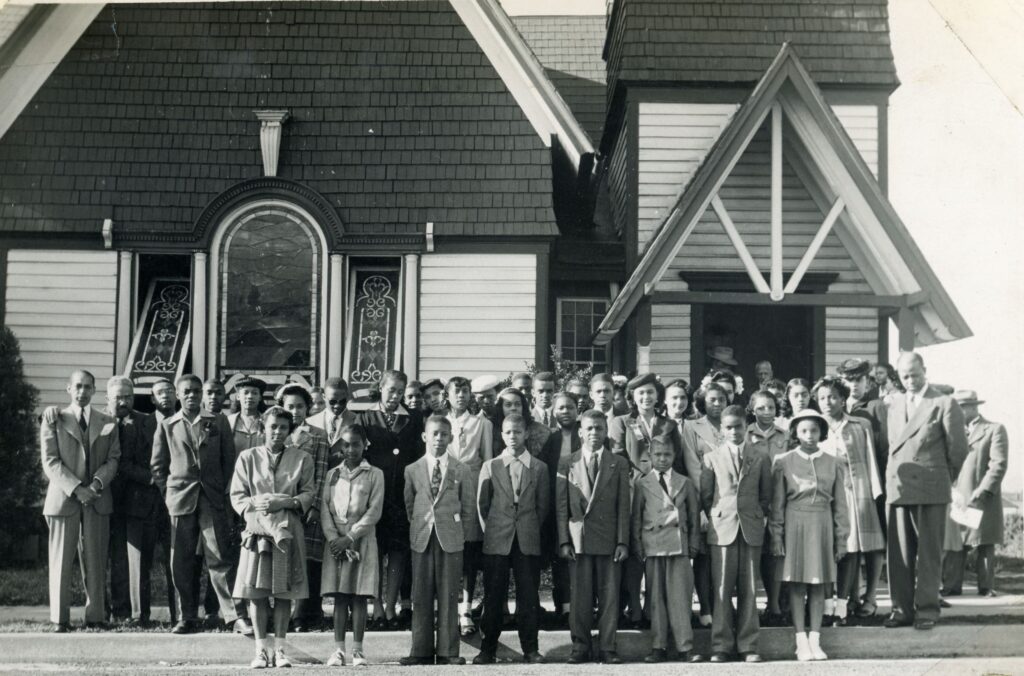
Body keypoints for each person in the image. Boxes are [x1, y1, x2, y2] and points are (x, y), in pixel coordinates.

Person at [884, 352, 968, 630]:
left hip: (931, 488)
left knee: (929, 553)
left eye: (915, 374)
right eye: (904, 376)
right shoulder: (895, 405)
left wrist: (942, 479)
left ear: (925, 371)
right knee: (899, 554)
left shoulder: (944, 403)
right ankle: (901, 610)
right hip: (899, 486)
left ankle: (928, 610)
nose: (910, 380)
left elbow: (958, 450)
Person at [151, 374, 240, 634]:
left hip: (211, 500)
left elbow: (229, 461)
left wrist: (220, 492)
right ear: (178, 395)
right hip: (180, 499)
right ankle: (187, 616)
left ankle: (232, 615)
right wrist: (170, 493)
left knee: (219, 556)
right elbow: (158, 466)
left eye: (197, 391)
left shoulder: (218, 421)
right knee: (181, 559)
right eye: (187, 391)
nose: (192, 395)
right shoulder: (168, 425)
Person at [608, 373, 697, 628]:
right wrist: (643, 479)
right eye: (640, 393)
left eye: (650, 392)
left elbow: (676, 457)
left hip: (664, 495)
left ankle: (658, 610)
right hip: (634, 491)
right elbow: (619, 456)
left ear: (658, 396)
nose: (646, 397)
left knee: (660, 553)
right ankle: (635, 611)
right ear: (632, 397)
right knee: (637, 551)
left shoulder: (669, 424)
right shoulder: (622, 422)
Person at [230, 406, 315, 668]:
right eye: (272, 427)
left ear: (290, 431)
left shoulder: (302, 458)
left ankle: (279, 649)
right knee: (256, 591)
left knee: (283, 591)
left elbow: (309, 492)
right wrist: (256, 509)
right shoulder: (248, 457)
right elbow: (238, 495)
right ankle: (260, 649)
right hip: (257, 530)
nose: (277, 432)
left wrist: (287, 502)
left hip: (287, 529)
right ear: (262, 428)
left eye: (283, 428)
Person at [41, 369, 121, 632]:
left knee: (96, 558)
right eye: (78, 386)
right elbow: (51, 461)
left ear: (94, 390)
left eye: (88, 387)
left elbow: (113, 458)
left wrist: (96, 483)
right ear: (68, 389)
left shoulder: (107, 420)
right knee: (61, 560)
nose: (83, 392)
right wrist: (77, 489)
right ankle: (59, 619)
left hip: (97, 498)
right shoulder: (54, 418)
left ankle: (96, 616)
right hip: (64, 499)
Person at [770, 409, 849, 661]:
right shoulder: (783, 461)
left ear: (822, 433)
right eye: (803, 431)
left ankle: (815, 639)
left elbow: (840, 505)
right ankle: (800, 640)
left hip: (822, 524)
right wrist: (777, 535)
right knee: (797, 584)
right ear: (795, 433)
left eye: (814, 430)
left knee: (819, 584)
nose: (809, 436)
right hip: (795, 524)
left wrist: (841, 538)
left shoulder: (834, 462)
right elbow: (777, 504)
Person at [474, 414, 549, 664]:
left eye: (517, 432)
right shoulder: (491, 466)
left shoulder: (539, 467)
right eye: (508, 432)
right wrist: (494, 529)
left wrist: (527, 527)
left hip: (527, 538)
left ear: (526, 433)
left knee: (529, 596)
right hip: (497, 538)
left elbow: (542, 507)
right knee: (494, 595)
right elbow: (482, 505)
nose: (513, 437)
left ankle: (531, 648)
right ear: (501, 435)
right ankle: (488, 648)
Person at [556, 410, 631, 664]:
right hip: (579, 538)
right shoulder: (567, 462)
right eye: (589, 428)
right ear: (580, 432)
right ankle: (580, 645)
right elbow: (561, 506)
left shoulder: (618, 462)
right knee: (580, 596)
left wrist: (622, 541)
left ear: (606, 431)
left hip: (609, 539)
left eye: (599, 428)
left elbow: (624, 505)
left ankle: (608, 646)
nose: (594, 433)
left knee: (609, 596)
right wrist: (564, 540)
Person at [400, 416, 476, 666]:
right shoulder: (412, 469)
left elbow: (467, 508)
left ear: (451, 438)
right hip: (422, 536)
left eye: (444, 434)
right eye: (434, 433)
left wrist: (459, 533)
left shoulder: (461, 469)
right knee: (420, 594)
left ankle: (447, 651)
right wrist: (422, 524)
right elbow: (410, 504)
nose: (439, 439)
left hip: (450, 538)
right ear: (425, 437)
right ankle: (420, 650)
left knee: (448, 593)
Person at [699, 405, 771, 663]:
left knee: (750, 588)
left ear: (746, 427)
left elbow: (765, 495)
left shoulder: (760, 456)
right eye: (728, 427)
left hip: (750, 527)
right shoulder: (711, 458)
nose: (733, 431)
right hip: (722, 528)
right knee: (721, 588)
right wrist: (716, 516)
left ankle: (748, 645)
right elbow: (706, 496)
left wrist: (757, 516)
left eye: (738, 426)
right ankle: (721, 645)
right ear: (721, 429)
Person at [105, 376, 177, 627]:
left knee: (139, 560)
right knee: (116, 560)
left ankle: (140, 615)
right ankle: (115, 611)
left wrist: (153, 481)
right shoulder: (99, 420)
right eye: (118, 397)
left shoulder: (145, 422)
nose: (123, 401)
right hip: (104, 499)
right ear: (108, 398)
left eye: (128, 397)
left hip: (141, 500)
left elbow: (154, 458)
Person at [815, 376, 885, 623]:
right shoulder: (814, 425)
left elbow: (869, 460)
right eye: (822, 398)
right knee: (825, 549)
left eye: (833, 397)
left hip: (853, 492)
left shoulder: (858, 425)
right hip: (823, 496)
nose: (827, 402)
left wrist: (872, 494)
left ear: (843, 399)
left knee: (851, 546)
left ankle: (843, 605)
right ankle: (826, 605)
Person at [358, 370, 423, 630]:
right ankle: (376, 607)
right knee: (375, 552)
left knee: (397, 552)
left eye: (400, 391)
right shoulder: (366, 418)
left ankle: (391, 605)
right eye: (391, 390)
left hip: (401, 495)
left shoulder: (414, 420)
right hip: (375, 496)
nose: (394, 395)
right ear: (381, 388)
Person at [631, 436, 700, 663]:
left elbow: (693, 517)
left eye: (667, 455)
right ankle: (658, 646)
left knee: (680, 597)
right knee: (655, 597)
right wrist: (638, 545)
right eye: (657, 455)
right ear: (650, 456)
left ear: (674, 456)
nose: (662, 459)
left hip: (678, 545)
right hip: (653, 545)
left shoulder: (685, 482)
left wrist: (693, 544)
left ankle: (685, 647)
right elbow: (636, 518)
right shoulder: (642, 483)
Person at [321, 424, 384, 668]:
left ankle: (358, 650)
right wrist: (334, 539)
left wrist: (351, 537)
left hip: (362, 541)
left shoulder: (374, 474)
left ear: (364, 445)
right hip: (335, 543)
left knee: (358, 596)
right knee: (340, 596)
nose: (350, 449)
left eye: (356, 444)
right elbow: (326, 508)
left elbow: (374, 510)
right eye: (345, 444)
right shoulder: (332, 474)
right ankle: (338, 650)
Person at [276, 383, 332, 632]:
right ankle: (282, 612)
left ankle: (303, 614)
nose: (295, 411)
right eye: (290, 406)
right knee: (283, 557)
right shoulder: (277, 431)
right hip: (282, 503)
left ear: (308, 408)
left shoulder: (318, 434)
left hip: (306, 505)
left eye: (300, 406)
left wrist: (315, 506)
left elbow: (320, 473)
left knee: (308, 558)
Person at [942, 390, 1008, 598]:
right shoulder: (950, 433)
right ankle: (951, 587)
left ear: (974, 407)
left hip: (982, 497)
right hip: (956, 497)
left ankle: (986, 586)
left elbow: (998, 464)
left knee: (984, 543)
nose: (958, 412)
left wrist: (984, 490)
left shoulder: (994, 430)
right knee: (955, 543)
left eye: (962, 408)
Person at [443, 376, 494, 636]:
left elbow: (486, 460)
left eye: (465, 391)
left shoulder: (481, 424)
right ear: (448, 395)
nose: (461, 396)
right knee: (448, 546)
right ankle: (447, 609)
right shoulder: (440, 423)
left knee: (470, 550)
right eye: (456, 391)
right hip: (447, 485)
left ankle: (465, 608)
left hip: (473, 487)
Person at [680, 381, 730, 627]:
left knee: (724, 554)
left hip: (728, 501)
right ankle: (706, 609)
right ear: (703, 402)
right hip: (702, 500)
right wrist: (706, 502)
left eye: (722, 399)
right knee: (702, 555)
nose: (718, 404)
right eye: (712, 400)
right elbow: (693, 465)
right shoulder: (691, 426)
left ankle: (724, 605)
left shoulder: (733, 426)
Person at [745, 389, 789, 626]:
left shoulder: (784, 434)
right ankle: (752, 606)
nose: (767, 412)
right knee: (756, 552)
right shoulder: (746, 433)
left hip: (779, 498)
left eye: (771, 407)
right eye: (761, 408)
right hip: (754, 499)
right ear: (752, 409)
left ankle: (775, 604)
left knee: (776, 551)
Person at [537, 392, 579, 627]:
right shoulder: (552, 439)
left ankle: (582, 605)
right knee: (560, 557)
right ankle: (563, 607)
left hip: (581, 503)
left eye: (570, 407)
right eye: (561, 408)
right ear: (554, 412)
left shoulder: (583, 434)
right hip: (557, 504)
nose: (566, 412)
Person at [493, 387, 551, 458]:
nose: (513, 408)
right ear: (501, 408)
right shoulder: (493, 431)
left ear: (523, 407)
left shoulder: (542, 431)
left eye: (517, 404)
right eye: (508, 405)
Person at [306, 377, 356, 446]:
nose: (337, 406)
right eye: (332, 402)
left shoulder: (358, 421)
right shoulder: (310, 422)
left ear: (347, 397)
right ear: (324, 397)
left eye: (342, 401)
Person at [228, 377, 267, 452]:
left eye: (255, 393)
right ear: (238, 396)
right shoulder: (228, 421)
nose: (250, 396)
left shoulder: (267, 421)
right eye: (246, 393)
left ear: (260, 398)